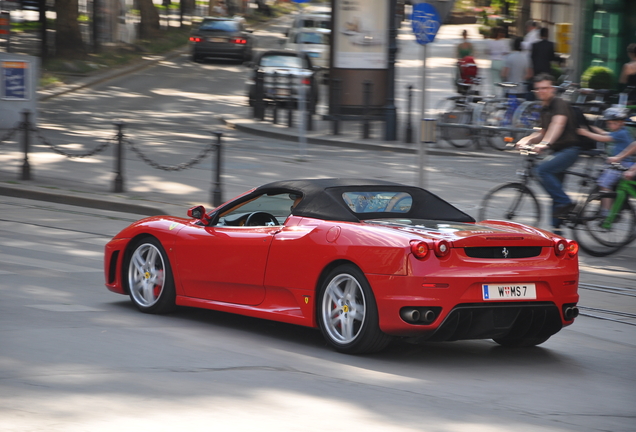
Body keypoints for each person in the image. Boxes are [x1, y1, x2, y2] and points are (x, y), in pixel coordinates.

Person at [516, 73, 581, 234]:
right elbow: (542, 131)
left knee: (542, 170)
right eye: (538, 89)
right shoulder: (544, 108)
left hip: (570, 149)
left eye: (545, 88)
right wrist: (526, 140)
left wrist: (545, 144)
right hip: (558, 150)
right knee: (554, 189)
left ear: (552, 89)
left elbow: (557, 125)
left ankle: (566, 203)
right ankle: (556, 230)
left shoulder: (558, 103)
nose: (542, 91)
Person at [577, 106, 634, 215]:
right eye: (608, 123)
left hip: (622, 163)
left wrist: (585, 133)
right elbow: (604, 133)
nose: (610, 126)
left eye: (612, 123)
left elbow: (603, 138)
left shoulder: (622, 133)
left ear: (621, 122)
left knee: (604, 183)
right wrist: (590, 127)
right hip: (619, 163)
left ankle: (606, 212)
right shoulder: (621, 130)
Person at [486, 27, 510, 96]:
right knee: (502, 80)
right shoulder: (504, 42)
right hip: (502, 62)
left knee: (494, 80)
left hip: (493, 62)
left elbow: (488, 51)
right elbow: (506, 52)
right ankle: (502, 95)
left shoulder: (490, 42)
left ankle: (494, 94)